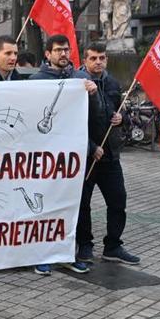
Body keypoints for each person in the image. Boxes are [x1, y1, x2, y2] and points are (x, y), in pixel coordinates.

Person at [30, 34, 99, 276]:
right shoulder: (36, 80)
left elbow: (93, 118)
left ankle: (68, 253)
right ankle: (41, 254)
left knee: (72, 206)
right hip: (46, 158)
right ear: (47, 54)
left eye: (66, 50)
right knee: (44, 206)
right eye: (58, 50)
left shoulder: (81, 78)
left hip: (72, 158)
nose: (63, 54)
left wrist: (93, 93)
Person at [77, 43, 139, 265]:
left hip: (111, 155)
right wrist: (91, 147)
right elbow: (71, 124)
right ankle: (84, 245)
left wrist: (122, 118)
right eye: (93, 58)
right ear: (85, 60)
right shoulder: (78, 83)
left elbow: (121, 109)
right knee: (83, 204)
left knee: (118, 200)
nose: (98, 62)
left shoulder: (112, 82)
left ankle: (113, 245)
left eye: (102, 58)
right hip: (87, 157)